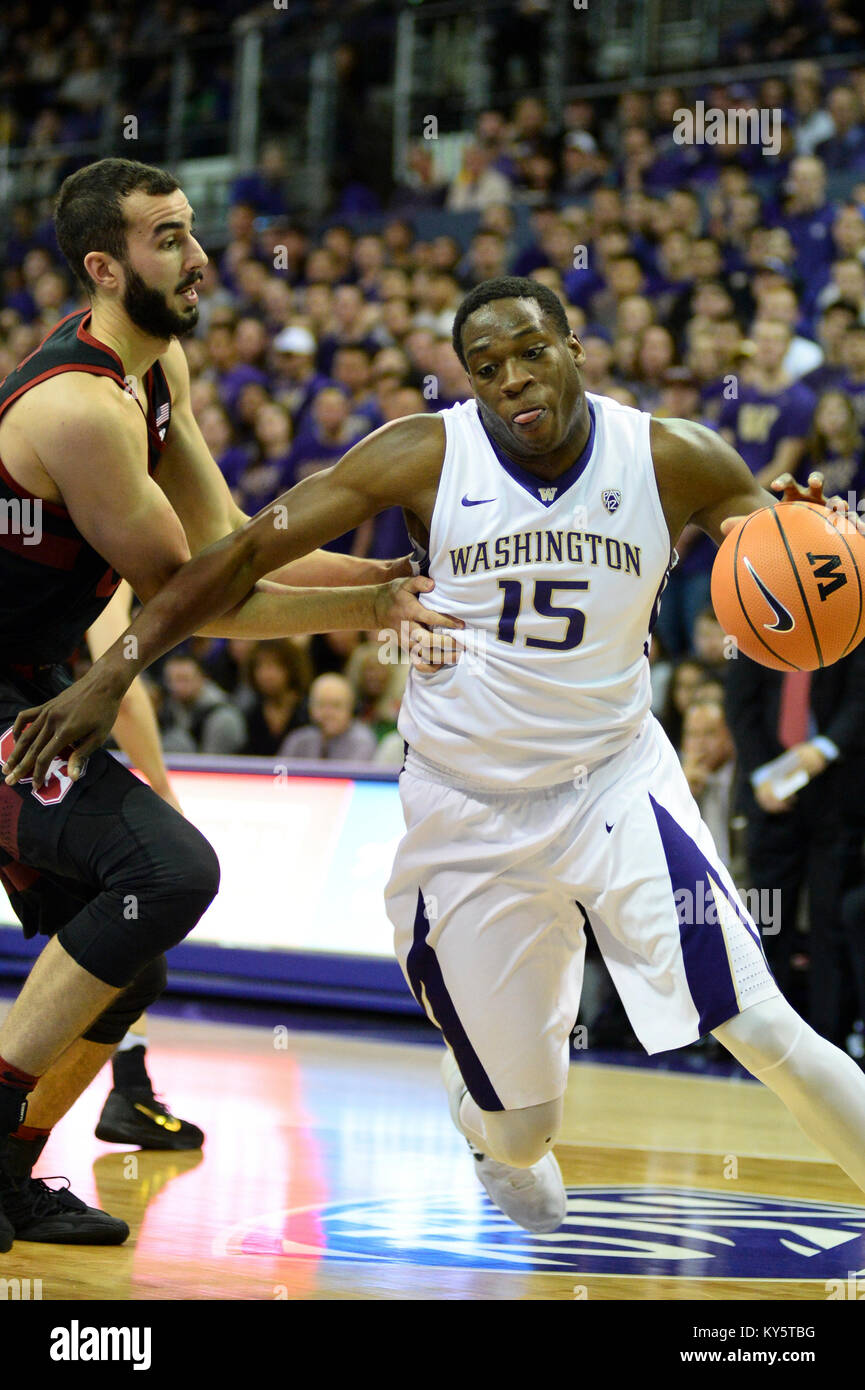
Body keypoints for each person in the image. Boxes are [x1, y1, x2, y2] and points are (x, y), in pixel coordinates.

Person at [14, 275, 865, 1240]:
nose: (513, 380)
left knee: (756, 1023)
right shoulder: (423, 453)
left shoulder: (673, 455)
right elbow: (242, 555)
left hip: (616, 783)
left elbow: (776, 543)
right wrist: (112, 673)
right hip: (468, 814)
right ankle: (489, 1125)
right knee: (519, 1133)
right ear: (466, 382)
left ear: (575, 349)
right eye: (486, 367)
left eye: (532, 352)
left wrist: (806, 528)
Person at [0, 157, 452, 1252]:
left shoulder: (159, 371)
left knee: (129, 952)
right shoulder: (82, 410)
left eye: (192, 229)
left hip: (36, 683)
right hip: (19, 696)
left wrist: (382, 580)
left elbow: (231, 539)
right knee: (169, 872)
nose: (198, 255)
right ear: (105, 267)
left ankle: (9, 1179)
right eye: (167, 238)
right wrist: (372, 600)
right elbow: (193, 600)